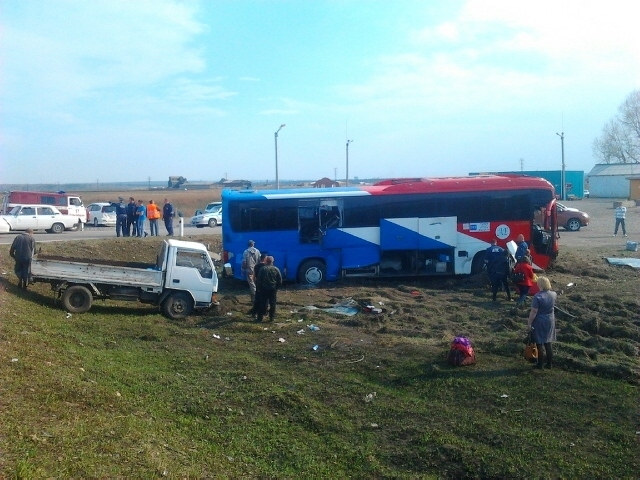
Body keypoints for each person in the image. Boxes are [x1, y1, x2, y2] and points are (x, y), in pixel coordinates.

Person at [527, 276, 557, 369]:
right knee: (548, 342)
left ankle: (540, 364)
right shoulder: (554, 294)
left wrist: (529, 322)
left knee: (539, 343)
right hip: (550, 320)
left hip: (539, 321)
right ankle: (549, 364)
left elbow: (534, 311)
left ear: (540, 284)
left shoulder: (537, 296)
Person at [255, 256, 282, 322]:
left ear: (266, 261)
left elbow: (259, 280)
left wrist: (258, 288)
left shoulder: (262, 269)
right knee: (272, 303)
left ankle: (260, 318)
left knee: (262, 303)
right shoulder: (276, 269)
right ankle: (271, 318)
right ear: (272, 261)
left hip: (263, 288)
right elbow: (279, 280)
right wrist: (276, 288)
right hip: (272, 289)